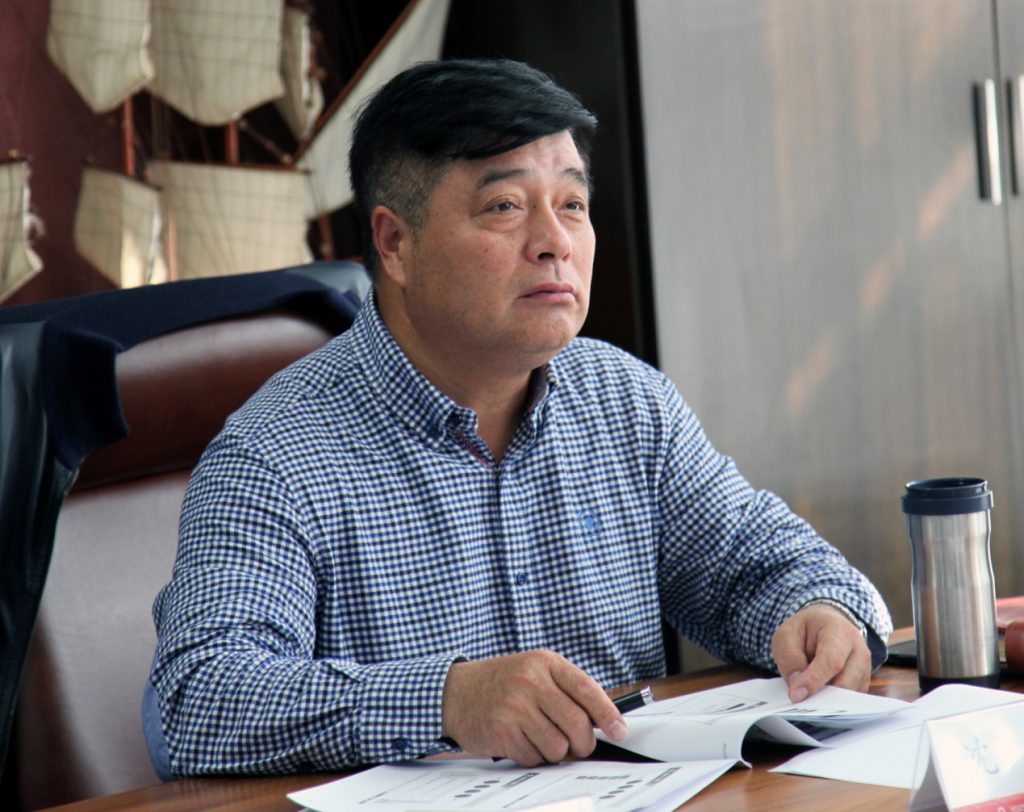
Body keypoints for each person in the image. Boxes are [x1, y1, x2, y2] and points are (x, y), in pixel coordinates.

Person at [145, 58, 892, 776]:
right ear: (395, 243)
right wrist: (448, 700)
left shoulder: (624, 402)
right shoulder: (275, 453)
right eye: (504, 207)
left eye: (572, 205)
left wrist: (820, 611)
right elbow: (198, 700)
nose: (555, 243)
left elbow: (758, 566)